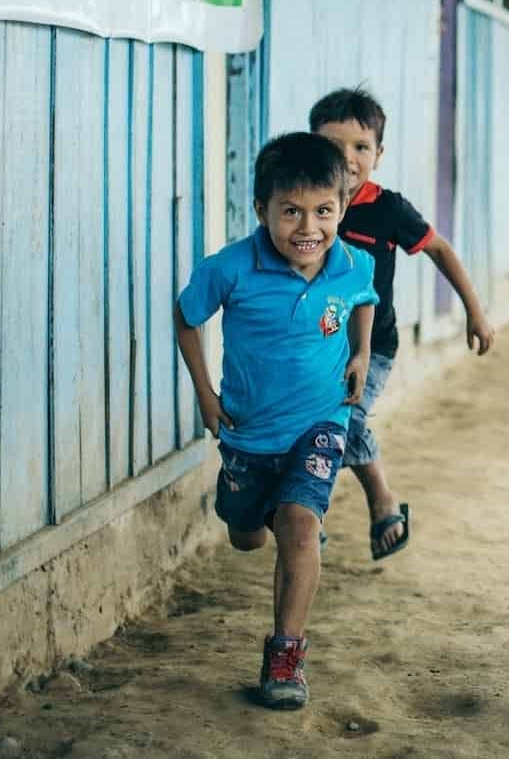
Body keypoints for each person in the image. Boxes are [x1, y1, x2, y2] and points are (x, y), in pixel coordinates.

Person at [172, 133, 378, 709]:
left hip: (321, 420)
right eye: (291, 211)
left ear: (342, 208)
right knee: (245, 533)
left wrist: (360, 355)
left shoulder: (351, 262)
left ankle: (286, 653)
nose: (307, 227)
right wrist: (205, 394)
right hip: (245, 431)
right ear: (261, 209)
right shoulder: (231, 268)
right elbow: (186, 318)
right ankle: (268, 517)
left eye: (324, 211)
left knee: (298, 523)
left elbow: (364, 297)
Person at [310, 87, 495, 560]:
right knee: (306, 424)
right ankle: (304, 517)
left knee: (345, 417)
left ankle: (380, 498)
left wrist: (474, 310)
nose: (348, 159)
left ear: (379, 153)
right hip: (312, 342)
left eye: (360, 147)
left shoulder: (387, 208)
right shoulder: (301, 204)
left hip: (375, 345)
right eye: (332, 146)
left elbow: (439, 248)